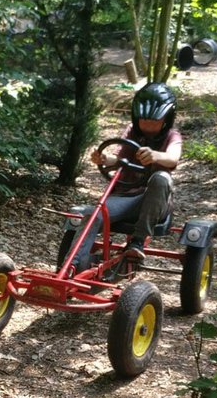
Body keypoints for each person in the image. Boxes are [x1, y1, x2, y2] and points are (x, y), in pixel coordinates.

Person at [70, 81, 183, 270]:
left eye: (154, 122)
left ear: (166, 119)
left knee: (161, 178)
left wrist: (156, 156)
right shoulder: (131, 131)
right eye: (143, 120)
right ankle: (71, 267)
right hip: (126, 196)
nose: (147, 126)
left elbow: (173, 158)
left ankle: (137, 242)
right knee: (92, 215)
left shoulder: (173, 136)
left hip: (153, 201)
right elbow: (119, 158)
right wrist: (104, 159)